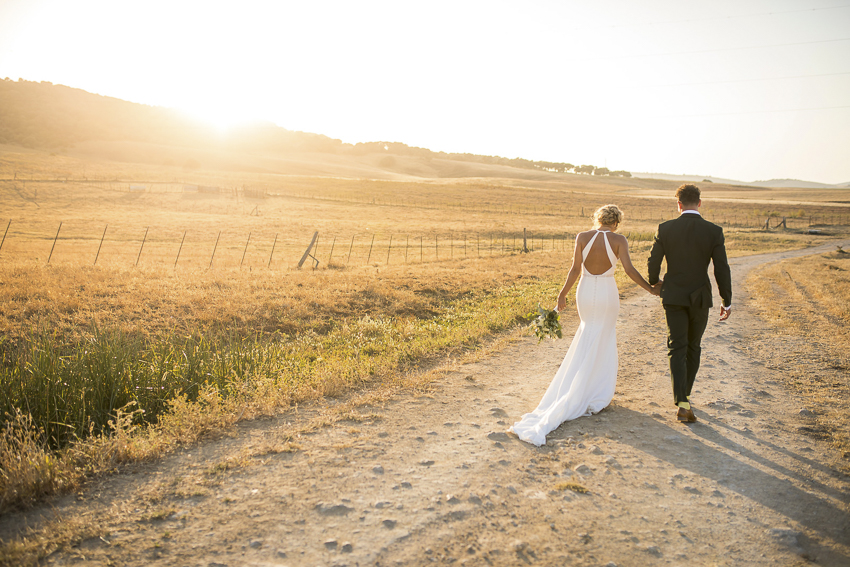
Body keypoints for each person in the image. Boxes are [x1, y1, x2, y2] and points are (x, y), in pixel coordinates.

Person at [510, 205, 659, 446]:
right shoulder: (619, 240)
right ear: (617, 222)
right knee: (604, 336)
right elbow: (629, 270)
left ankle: (578, 386)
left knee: (587, 331)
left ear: (598, 218)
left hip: (585, 290)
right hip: (607, 292)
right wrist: (650, 289)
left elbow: (575, 269)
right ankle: (594, 392)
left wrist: (562, 295)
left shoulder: (583, 237)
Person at [647, 184, 732, 423]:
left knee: (676, 347)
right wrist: (727, 299)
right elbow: (721, 268)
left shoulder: (666, 228)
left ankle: (683, 400)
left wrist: (655, 282)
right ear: (700, 203)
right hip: (700, 298)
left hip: (673, 296)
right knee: (693, 346)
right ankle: (685, 398)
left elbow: (653, 260)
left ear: (679, 204)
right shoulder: (714, 231)